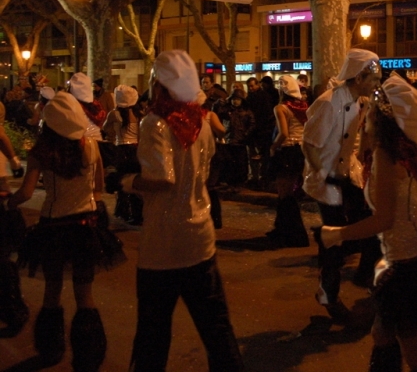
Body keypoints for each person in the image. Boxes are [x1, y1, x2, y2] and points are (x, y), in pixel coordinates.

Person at [319, 74, 417, 372]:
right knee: (382, 334)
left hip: (410, 264)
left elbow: (383, 219)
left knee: (416, 354)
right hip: (416, 256)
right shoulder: (414, 152)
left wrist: (337, 234)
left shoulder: (386, 155)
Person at [124, 50, 243, 371]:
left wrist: (127, 182)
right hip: (200, 238)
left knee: (153, 334)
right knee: (217, 329)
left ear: (161, 84)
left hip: (162, 243)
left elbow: (160, 178)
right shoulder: (202, 122)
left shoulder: (155, 123)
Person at [10, 92, 126, 371]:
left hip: (52, 227)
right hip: (85, 226)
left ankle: (51, 348)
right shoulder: (90, 147)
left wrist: (8, 200)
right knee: (84, 294)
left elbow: (26, 193)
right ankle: (89, 355)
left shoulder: (40, 152)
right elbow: (98, 187)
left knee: (52, 291)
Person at [303, 49, 383, 322]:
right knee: (334, 242)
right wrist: (323, 174)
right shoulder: (328, 103)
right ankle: (329, 295)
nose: (376, 84)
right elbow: (310, 145)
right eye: (374, 78)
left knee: (367, 226)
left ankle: (358, 275)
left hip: (347, 176)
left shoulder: (357, 102)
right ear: (359, 76)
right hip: (328, 181)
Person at [264, 75, 310, 248]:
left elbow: (283, 132)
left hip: (287, 151)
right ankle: (283, 230)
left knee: (284, 193)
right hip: (299, 151)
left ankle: (292, 234)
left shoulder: (281, 108)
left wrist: (274, 147)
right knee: (289, 193)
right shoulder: (303, 107)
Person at [103, 85, 143, 225]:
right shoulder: (139, 114)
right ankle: (138, 214)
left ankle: (124, 212)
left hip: (122, 150)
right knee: (136, 181)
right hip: (137, 150)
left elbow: (105, 128)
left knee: (122, 180)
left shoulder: (114, 114)